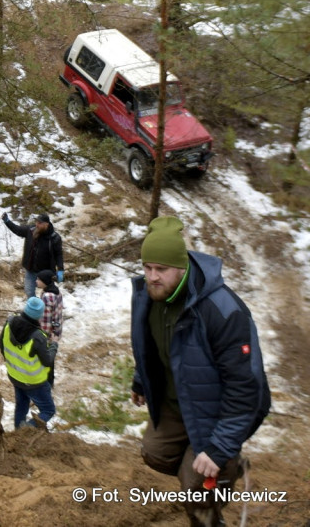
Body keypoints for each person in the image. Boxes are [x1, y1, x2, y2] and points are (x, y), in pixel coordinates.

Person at [130, 216, 271, 527]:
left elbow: (246, 386)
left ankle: (213, 502)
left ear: (182, 267)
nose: (153, 277)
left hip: (218, 409)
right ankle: (218, 468)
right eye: (148, 267)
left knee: (196, 490)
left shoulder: (222, 310)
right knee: (154, 453)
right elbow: (150, 342)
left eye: (161, 269)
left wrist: (218, 448)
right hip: (179, 401)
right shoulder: (148, 295)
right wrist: (141, 379)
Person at [0, 295, 58, 430]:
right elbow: (47, 361)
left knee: (21, 405)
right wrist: (54, 345)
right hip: (34, 381)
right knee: (48, 410)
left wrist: (12, 361)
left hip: (15, 376)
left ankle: (17, 433)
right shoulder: (38, 337)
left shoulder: (9, 322)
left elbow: (1, 344)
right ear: (39, 315)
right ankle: (25, 431)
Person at [2, 212, 65, 299]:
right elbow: (17, 230)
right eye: (36, 222)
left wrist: (60, 269)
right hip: (31, 269)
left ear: (46, 224)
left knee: (49, 294)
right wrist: (7, 221)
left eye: (40, 223)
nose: (37, 225)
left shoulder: (54, 238)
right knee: (29, 291)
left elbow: (59, 254)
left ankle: (50, 308)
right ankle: (35, 309)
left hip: (46, 272)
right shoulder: (31, 230)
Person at [35, 269, 63, 388]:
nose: (36, 281)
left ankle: (47, 383)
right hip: (56, 330)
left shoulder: (47, 296)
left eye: (38, 280)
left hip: (47, 333)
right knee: (50, 358)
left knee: (46, 359)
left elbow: (45, 319)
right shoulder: (56, 292)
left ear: (45, 282)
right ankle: (49, 382)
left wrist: (42, 334)